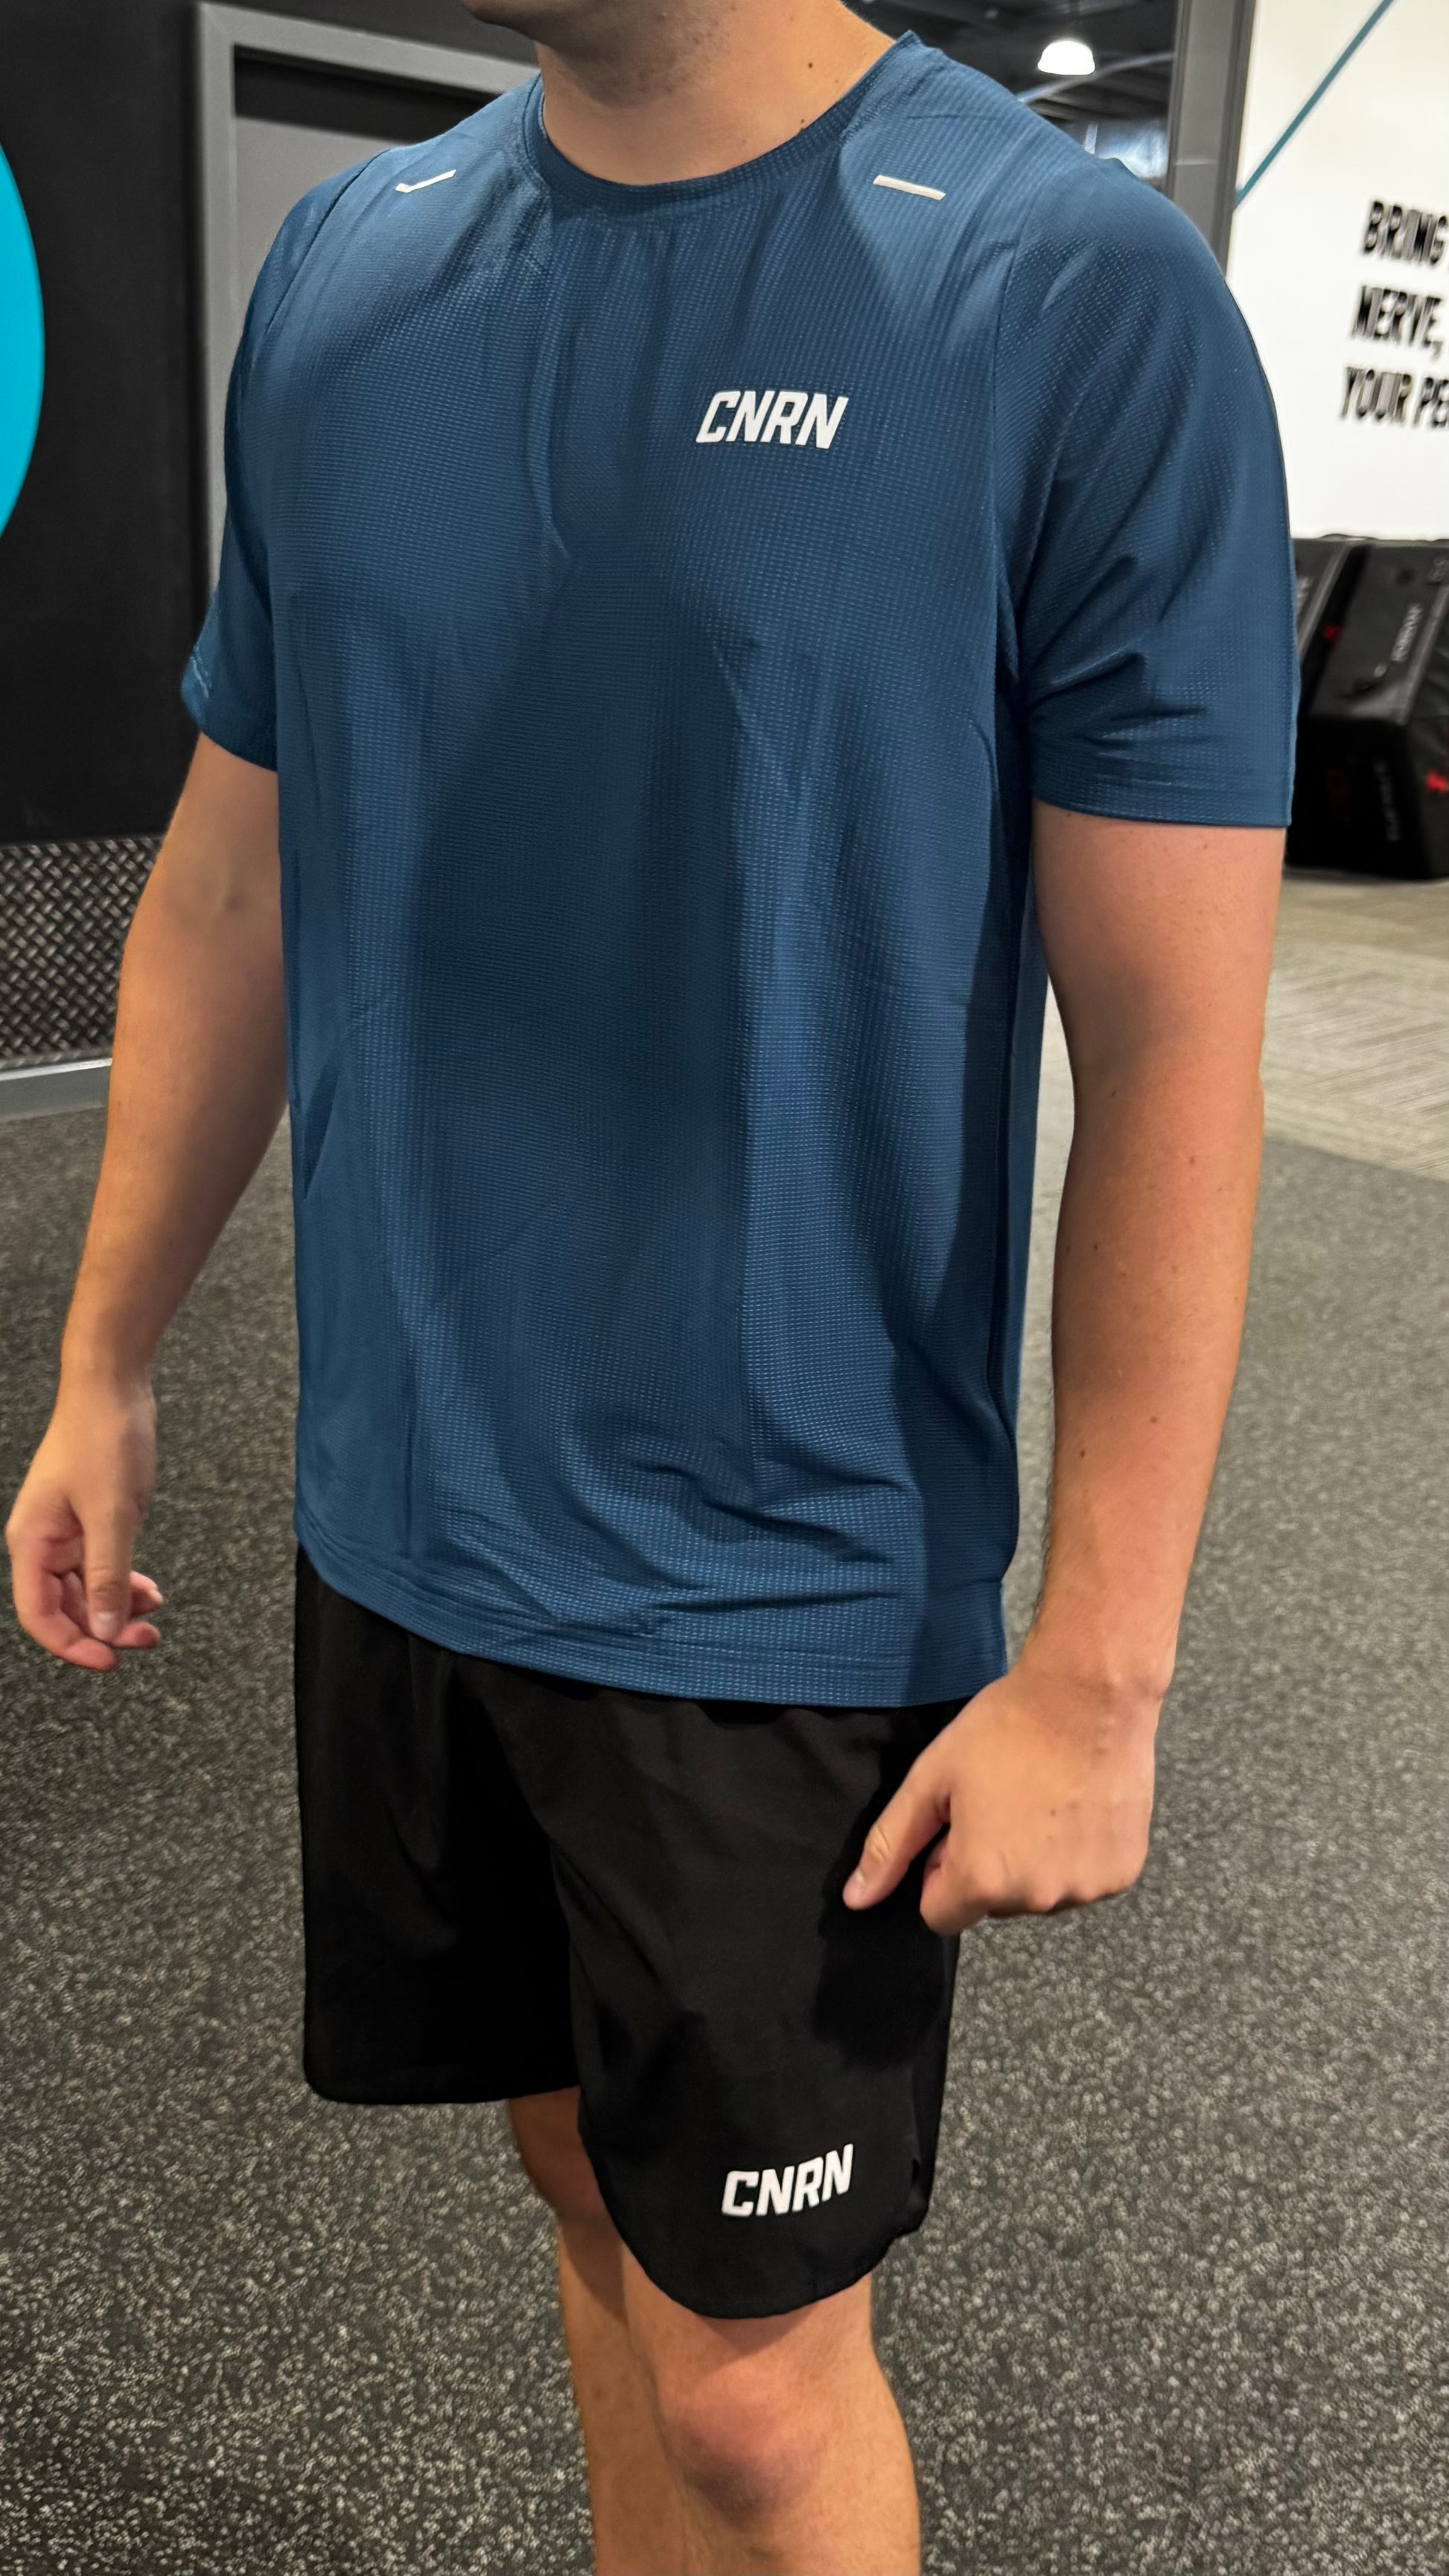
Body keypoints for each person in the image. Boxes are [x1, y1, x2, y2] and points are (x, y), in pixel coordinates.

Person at [6, 1, 1298, 2567]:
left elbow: (1170, 1041)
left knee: (755, 2395)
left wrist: (1103, 1661)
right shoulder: (350, 272)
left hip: (775, 1557)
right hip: (411, 1512)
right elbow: (234, 878)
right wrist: (105, 1355)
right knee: (584, 2183)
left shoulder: (1064, 289)